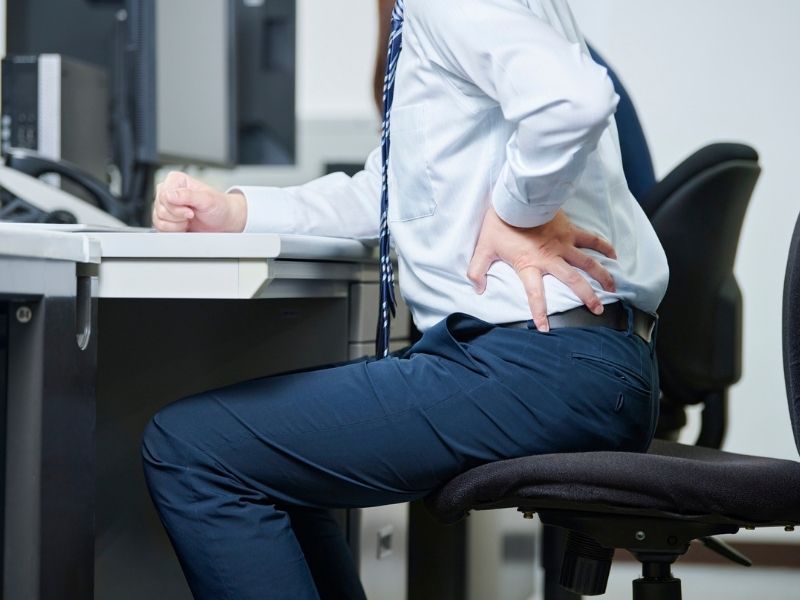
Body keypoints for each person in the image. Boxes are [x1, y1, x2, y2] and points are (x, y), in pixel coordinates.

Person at [143, 0, 669, 598]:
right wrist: (239, 211)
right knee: (277, 465)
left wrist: (516, 210)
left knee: (193, 451)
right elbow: (395, 187)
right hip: (583, 363)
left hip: (540, 362)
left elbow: (574, 100)